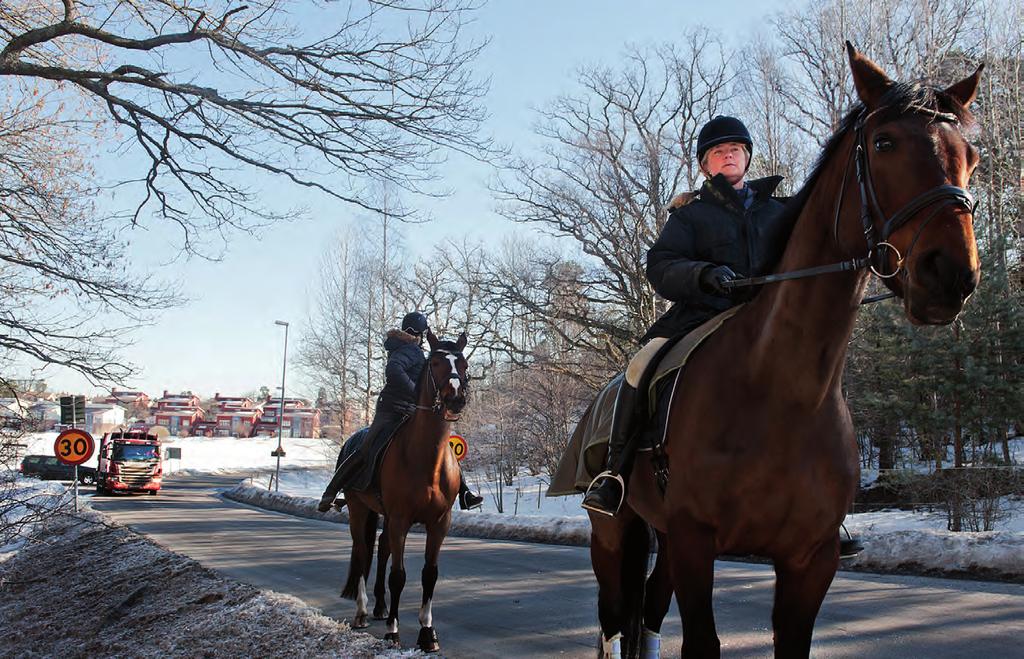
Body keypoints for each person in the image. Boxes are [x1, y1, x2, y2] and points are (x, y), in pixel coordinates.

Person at [580, 116, 863, 558]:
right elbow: (661, 265)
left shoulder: (782, 211)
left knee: (819, 381)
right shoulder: (690, 215)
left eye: (736, 148)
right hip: (701, 318)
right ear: (705, 165)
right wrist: (706, 275)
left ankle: (824, 506)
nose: (728, 154)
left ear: (748, 157)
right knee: (639, 368)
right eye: (718, 151)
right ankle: (615, 475)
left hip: (772, 325)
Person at [317, 311, 484, 512]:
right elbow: (394, 370)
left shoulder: (415, 351)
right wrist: (415, 391)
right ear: (420, 334)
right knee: (366, 448)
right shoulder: (409, 350)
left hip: (412, 410)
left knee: (441, 444)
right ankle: (331, 491)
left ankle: (463, 491)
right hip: (391, 410)